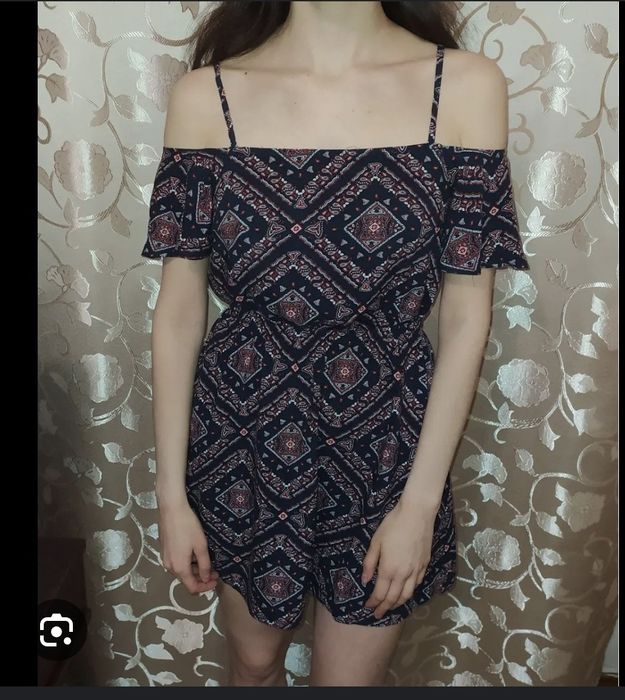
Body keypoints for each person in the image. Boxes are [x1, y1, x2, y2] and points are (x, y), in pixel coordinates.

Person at [141, 0, 530, 687]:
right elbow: (179, 310)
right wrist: (171, 496)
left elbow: (467, 314)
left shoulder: (465, 86)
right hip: (244, 433)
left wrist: (419, 505)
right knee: (253, 663)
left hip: (386, 441)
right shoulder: (205, 96)